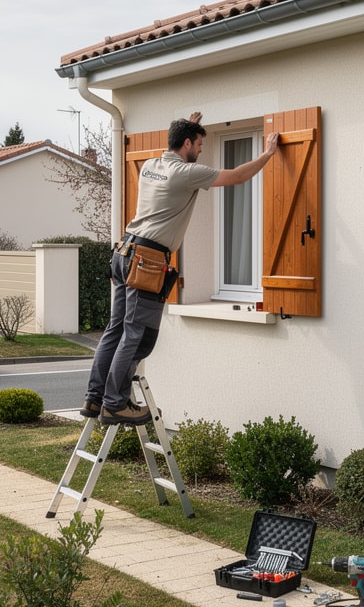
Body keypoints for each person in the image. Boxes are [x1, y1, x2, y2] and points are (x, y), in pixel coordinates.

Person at [83, 112, 281, 425]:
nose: (201, 150)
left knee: (116, 329)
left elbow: (178, 148)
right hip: (147, 260)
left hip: (124, 252)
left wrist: (187, 125)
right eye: (199, 143)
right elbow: (239, 177)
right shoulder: (186, 173)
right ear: (186, 143)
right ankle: (115, 403)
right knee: (137, 335)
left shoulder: (151, 165)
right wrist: (267, 154)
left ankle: (95, 399)